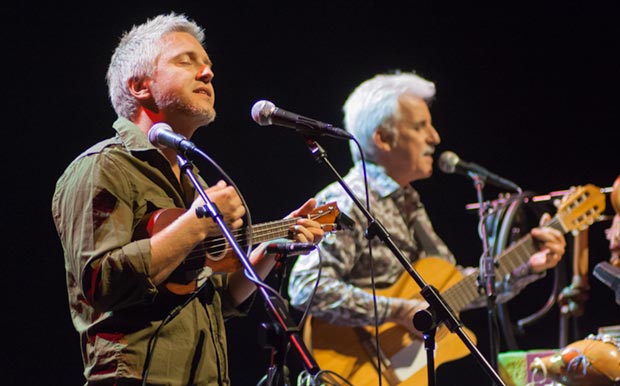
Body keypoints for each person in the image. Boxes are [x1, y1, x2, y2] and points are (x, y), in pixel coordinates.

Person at [52, 13, 324, 386]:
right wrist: (197, 222)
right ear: (139, 86)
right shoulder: (102, 167)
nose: (208, 73)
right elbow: (101, 282)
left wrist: (274, 249)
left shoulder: (192, 180)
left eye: (208, 65)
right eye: (186, 61)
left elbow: (217, 299)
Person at [287, 71, 566, 382]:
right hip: (354, 367)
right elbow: (306, 287)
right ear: (383, 138)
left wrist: (525, 264)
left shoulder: (408, 201)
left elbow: (452, 287)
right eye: (420, 127)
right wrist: (398, 311)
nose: (435, 137)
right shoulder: (345, 200)